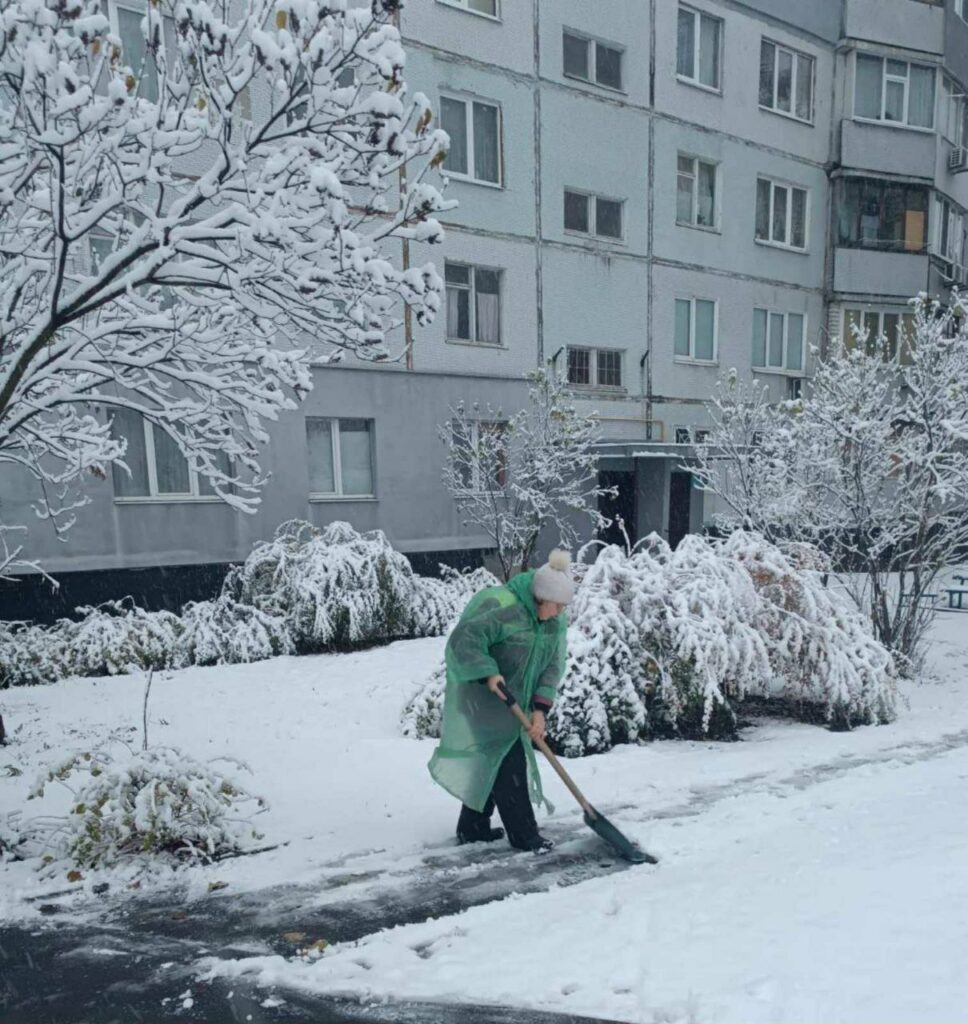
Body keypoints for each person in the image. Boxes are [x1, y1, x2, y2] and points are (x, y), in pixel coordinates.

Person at [428, 550, 574, 853]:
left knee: (490, 761)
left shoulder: (552, 623)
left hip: (514, 702)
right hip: (482, 697)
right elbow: (464, 640)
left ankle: (473, 827)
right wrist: (489, 672)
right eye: (556, 605)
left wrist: (540, 711)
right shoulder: (503, 607)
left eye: (563, 606)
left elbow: (552, 667)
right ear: (541, 598)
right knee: (509, 764)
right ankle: (525, 836)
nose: (560, 612)